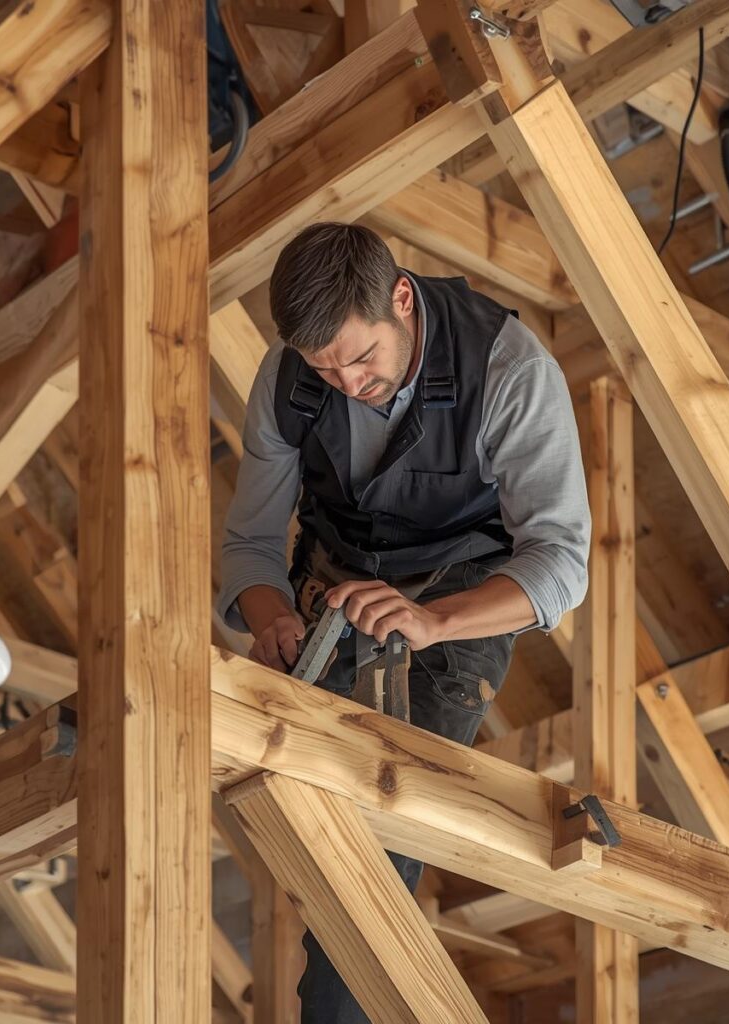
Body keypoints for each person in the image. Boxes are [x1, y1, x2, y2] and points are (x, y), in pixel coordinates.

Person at [217, 222, 590, 1023]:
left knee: (384, 834)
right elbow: (250, 541)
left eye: (363, 358)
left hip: (461, 594)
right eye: (326, 368)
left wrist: (434, 620)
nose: (348, 382)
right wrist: (269, 610)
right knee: (290, 811)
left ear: (401, 298)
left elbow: (561, 561)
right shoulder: (287, 381)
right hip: (332, 585)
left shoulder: (511, 370)